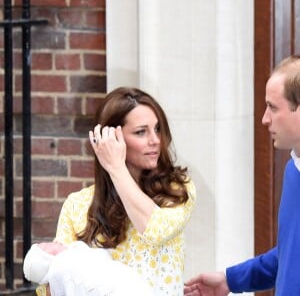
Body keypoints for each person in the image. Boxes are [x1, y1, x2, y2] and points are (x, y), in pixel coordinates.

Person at [33, 86, 196, 296]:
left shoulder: (177, 189)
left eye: (157, 129)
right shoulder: (78, 204)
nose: (155, 140)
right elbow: (55, 280)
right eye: (141, 132)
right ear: (108, 138)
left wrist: (116, 168)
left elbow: (155, 229)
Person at [184, 55, 300, 296]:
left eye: (273, 107)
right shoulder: (293, 169)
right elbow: (290, 254)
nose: (264, 119)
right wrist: (230, 280)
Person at [23, 241, 154, 295]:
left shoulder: (70, 260)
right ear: (45, 260)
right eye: (46, 246)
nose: (54, 242)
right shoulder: (61, 266)